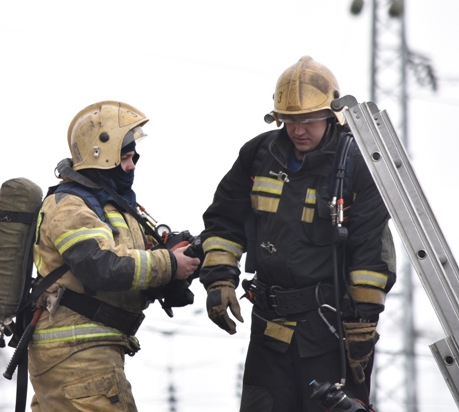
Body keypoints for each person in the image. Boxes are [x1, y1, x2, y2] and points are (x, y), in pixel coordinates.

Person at [198, 56, 397, 411]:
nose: (298, 130)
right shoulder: (259, 155)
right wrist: (220, 278)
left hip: (329, 334)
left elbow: (369, 248)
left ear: (331, 116)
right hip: (268, 331)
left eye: (308, 120)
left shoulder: (357, 164)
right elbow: (224, 220)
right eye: (289, 120)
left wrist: (362, 323)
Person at [28, 100, 200, 411]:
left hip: (83, 355)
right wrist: (169, 263)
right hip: (78, 358)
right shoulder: (69, 205)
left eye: (134, 157)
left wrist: (180, 262)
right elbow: (101, 267)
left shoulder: (113, 207)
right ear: (101, 157)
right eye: (124, 157)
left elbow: (133, 262)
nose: (131, 166)